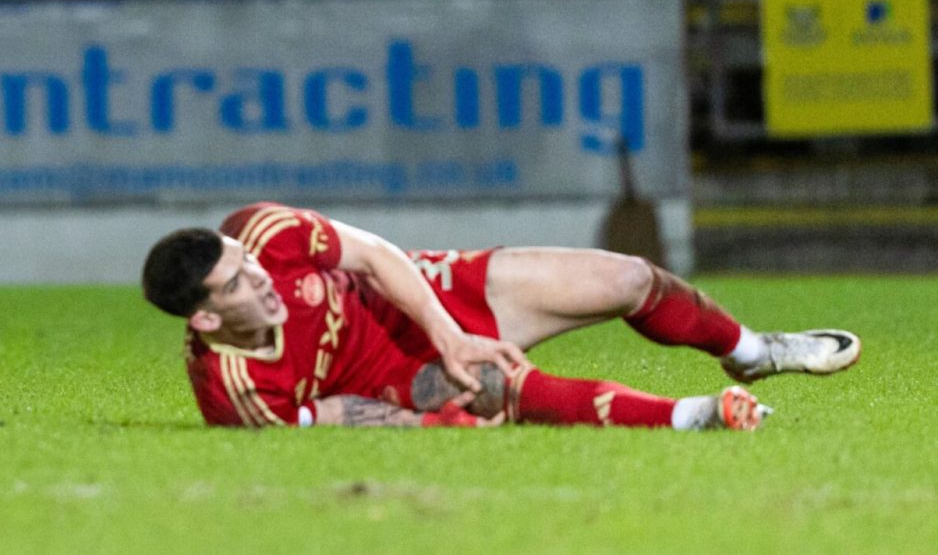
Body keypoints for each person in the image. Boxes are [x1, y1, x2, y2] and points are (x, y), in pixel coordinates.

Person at [142, 202, 860, 431]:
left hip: (427, 298)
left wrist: (450, 332)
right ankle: (701, 415)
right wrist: (425, 415)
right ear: (205, 320)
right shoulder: (234, 394)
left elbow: (375, 256)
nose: (261, 277)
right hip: (395, 377)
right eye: (237, 283)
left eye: (249, 261)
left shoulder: (263, 234)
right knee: (496, 393)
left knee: (628, 277)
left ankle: (754, 350)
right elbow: (333, 415)